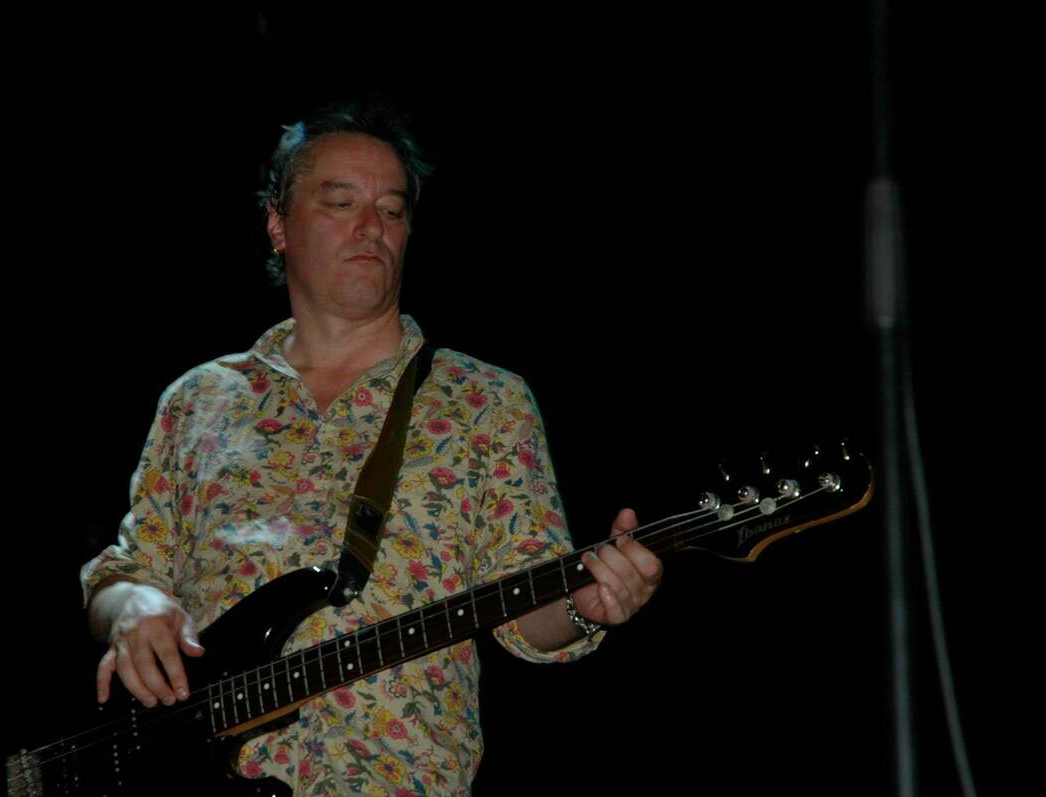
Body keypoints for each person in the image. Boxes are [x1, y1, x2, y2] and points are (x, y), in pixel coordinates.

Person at [81, 101, 662, 796]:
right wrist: (133, 606)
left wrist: (580, 606)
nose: (371, 227)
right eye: (341, 203)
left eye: (391, 210)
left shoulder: (485, 399)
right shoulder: (198, 398)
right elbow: (126, 569)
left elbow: (524, 610)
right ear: (277, 225)